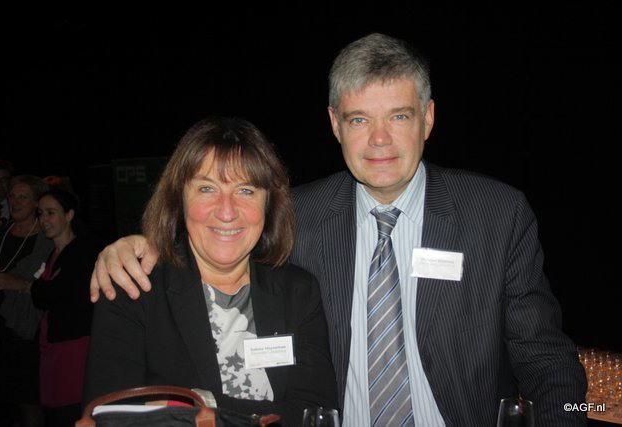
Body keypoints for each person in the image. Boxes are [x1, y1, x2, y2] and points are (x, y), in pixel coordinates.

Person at [89, 33, 587, 425]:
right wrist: (140, 245)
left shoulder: (496, 215)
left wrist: (574, 416)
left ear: (428, 118)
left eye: (399, 116)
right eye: (358, 120)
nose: (379, 140)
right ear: (334, 124)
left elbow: (548, 361)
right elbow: (223, 236)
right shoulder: (298, 217)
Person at [82, 117, 338, 425]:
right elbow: (112, 416)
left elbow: (314, 413)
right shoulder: (133, 286)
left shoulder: (298, 291)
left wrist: (195, 403)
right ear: (179, 198)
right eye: (207, 188)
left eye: (246, 190)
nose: (226, 212)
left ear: (269, 204)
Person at [0, 174, 52, 427]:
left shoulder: (47, 238)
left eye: (23, 197)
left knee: (28, 400)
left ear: (36, 203)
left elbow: (53, 288)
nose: (15, 201)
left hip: (25, 328)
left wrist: (16, 283)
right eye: (12, 196)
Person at [30, 188, 97, 427]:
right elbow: (41, 296)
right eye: (40, 213)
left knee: (70, 411)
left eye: (51, 213)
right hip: (53, 346)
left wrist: (42, 288)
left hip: (73, 346)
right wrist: (43, 289)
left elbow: (54, 294)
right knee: (53, 410)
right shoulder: (52, 253)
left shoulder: (82, 252)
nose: (44, 220)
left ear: (69, 215)